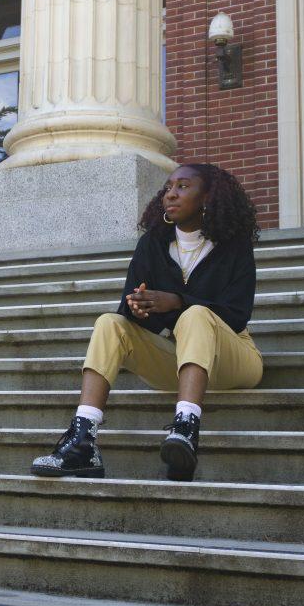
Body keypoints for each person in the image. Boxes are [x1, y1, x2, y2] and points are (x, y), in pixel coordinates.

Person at [30, 163, 263, 481]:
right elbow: (130, 309)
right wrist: (139, 311)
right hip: (180, 363)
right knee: (110, 323)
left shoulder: (233, 245)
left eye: (183, 186)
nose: (171, 194)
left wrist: (178, 303)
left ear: (207, 196)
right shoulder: (152, 244)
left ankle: (185, 430)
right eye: (168, 187)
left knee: (195, 315)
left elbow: (237, 313)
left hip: (235, 360)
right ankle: (82, 442)